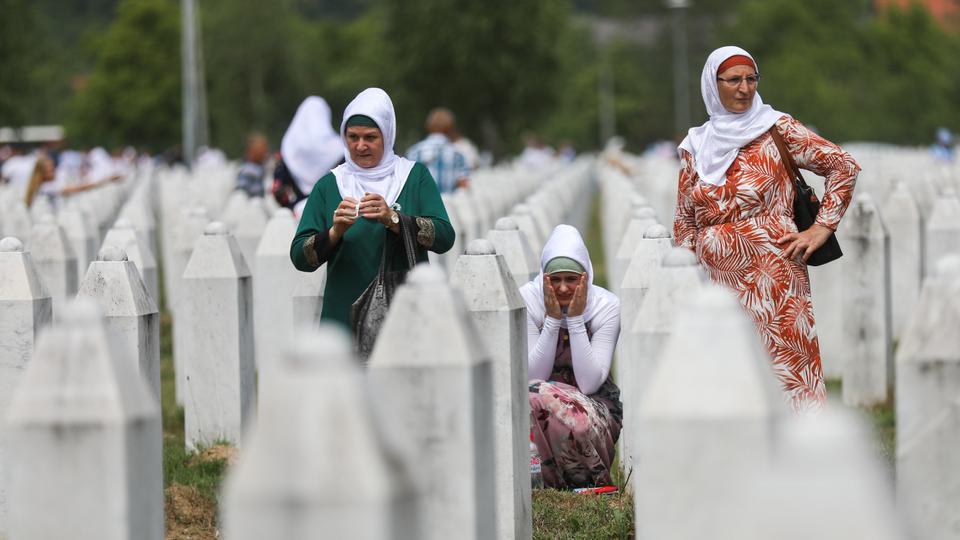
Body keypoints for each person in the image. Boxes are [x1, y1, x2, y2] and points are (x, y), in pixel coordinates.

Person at [674, 46, 860, 412]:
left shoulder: (776, 128)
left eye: (751, 79)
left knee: (789, 369)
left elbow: (843, 166)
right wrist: (683, 282)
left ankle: (803, 458)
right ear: (713, 86)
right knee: (729, 374)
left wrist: (821, 228)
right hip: (716, 282)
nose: (744, 88)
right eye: (733, 80)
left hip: (775, 276)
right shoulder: (697, 145)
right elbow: (685, 220)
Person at [290, 88, 455, 329]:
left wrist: (393, 219)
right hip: (343, 319)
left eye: (370, 137)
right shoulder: (330, 185)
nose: (360, 146)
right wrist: (335, 232)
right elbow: (300, 257)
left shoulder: (412, 176)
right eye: (352, 137)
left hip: (404, 316)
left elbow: (444, 238)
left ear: (387, 136)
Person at [519, 224, 622, 489]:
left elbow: (589, 383)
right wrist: (553, 320)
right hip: (538, 400)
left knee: (561, 412)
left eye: (571, 279)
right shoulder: (529, 302)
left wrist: (574, 320)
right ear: (543, 278)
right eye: (555, 280)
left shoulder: (605, 307)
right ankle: (545, 481)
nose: (563, 288)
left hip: (591, 405)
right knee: (529, 398)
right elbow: (533, 377)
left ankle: (583, 477)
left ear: (585, 278)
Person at [274, 96, 344, 216]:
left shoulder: (289, 147)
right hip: (332, 214)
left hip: (296, 216)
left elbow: (278, 189)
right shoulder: (339, 148)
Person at [405, 107, 470, 193]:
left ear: (428, 127)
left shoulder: (413, 152)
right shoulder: (457, 155)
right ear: (450, 128)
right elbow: (464, 187)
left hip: (421, 205)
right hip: (449, 205)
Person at [235, 132, 269, 197]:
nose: (266, 153)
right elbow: (241, 193)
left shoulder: (260, 168)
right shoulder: (247, 171)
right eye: (262, 150)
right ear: (252, 151)